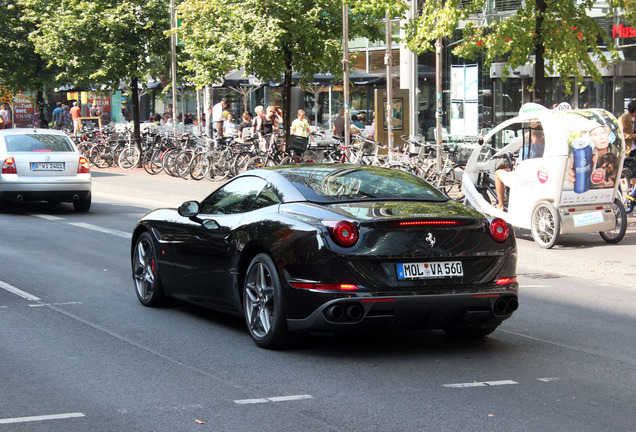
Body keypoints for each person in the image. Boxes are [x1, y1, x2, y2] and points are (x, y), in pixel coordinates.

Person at [495, 123, 545, 210]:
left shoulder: (527, 148)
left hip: (524, 179)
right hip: (541, 178)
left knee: (498, 173)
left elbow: (519, 166)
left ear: (531, 135)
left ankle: (501, 205)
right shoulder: (546, 148)